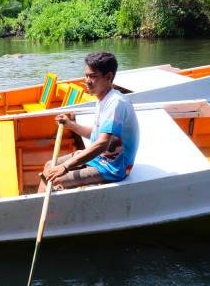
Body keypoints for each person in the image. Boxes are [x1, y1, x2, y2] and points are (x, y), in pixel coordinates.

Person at [39, 52, 139, 192]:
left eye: (93, 76)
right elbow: (96, 134)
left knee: (53, 179)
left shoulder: (115, 103)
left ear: (108, 77)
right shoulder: (103, 98)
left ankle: (43, 207)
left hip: (113, 167)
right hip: (100, 159)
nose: (87, 80)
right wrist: (70, 124)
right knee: (49, 166)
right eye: (86, 75)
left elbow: (102, 144)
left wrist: (65, 166)